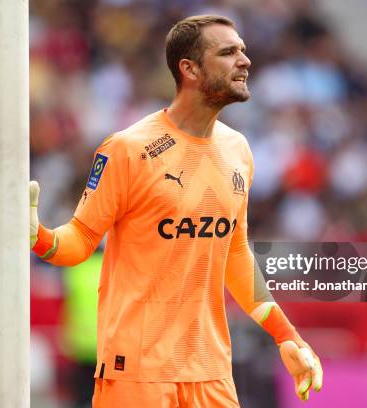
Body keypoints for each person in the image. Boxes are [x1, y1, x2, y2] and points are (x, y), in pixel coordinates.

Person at [30, 15, 323, 407]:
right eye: (228, 52)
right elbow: (80, 240)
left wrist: (286, 334)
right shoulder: (128, 149)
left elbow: (234, 253)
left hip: (211, 370)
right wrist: (36, 235)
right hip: (137, 371)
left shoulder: (239, 151)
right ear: (190, 69)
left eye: (243, 50)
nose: (244, 60)